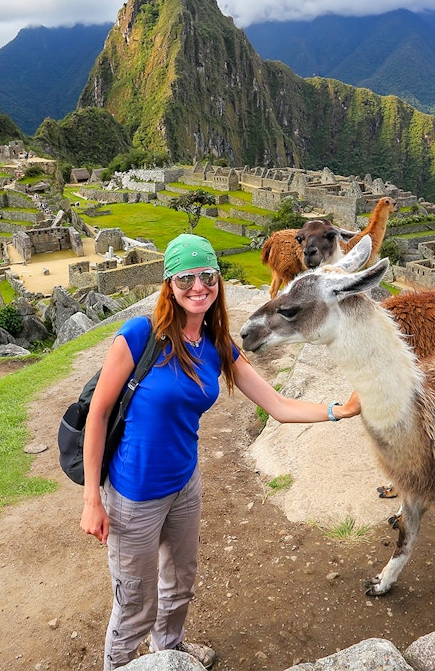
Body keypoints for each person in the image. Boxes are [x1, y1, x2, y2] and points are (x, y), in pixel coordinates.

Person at [80, 234, 360, 670]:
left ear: (218, 280)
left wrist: (338, 410)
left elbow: (278, 406)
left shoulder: (217, 344)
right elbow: (97, 416)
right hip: (132, 497)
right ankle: (118, 666)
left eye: (207, 275)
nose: (198, 286)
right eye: (186, 277)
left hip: (184, 486)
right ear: (169, 285)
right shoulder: (138, 336)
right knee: (135, 601)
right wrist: (91, 501)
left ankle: (168, 651)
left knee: (179, 582)